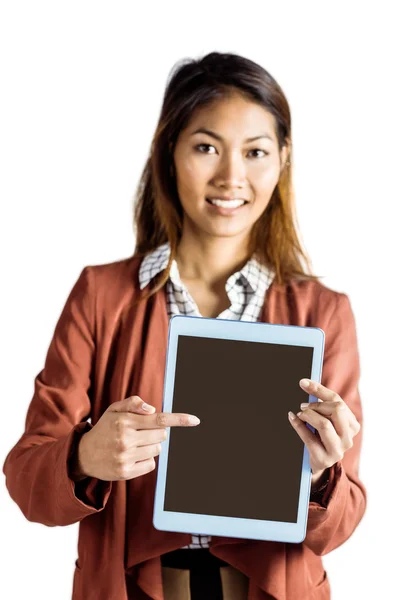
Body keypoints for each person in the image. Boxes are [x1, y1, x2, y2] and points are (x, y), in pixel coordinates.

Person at [3, 51, 367, 600]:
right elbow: (28, 480)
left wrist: (321, 477)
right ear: (168, 151)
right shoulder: (102, 295)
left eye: (255, 152)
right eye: (206, 147)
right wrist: (83, 456)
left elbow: (342, 522)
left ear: (283, 159)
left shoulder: (323, 312)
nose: (231, 177)